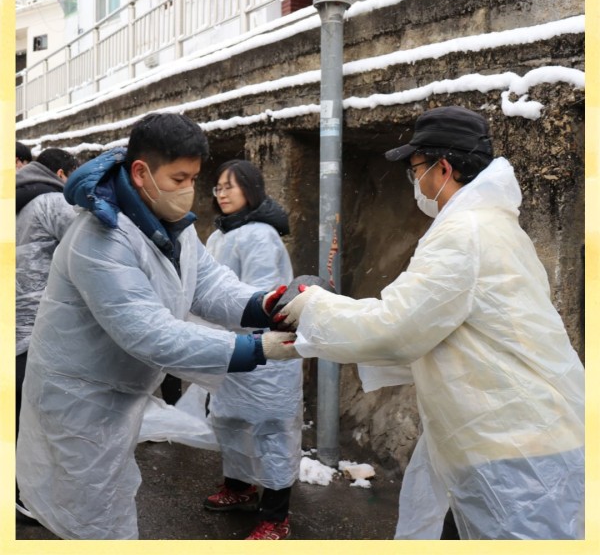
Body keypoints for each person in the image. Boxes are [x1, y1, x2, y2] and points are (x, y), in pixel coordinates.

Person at [273, 106, 585, 539]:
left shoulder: (463, 233)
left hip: (513, 444)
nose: (412, 180)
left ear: (443, 168)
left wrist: (315, 309)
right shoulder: (494, 226)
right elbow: (438, 333)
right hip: (528, 429)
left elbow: (397, 329)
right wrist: (314, 331)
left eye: (415, 168)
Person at [16, 113, 296, 540]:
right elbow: (149, 333)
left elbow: (207, 283)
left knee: (111, 506)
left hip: (118, 393)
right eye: (179, 177)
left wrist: (261, 305)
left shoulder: (171, 226)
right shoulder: (100, 239)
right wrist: (258, 349)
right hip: (78, 402)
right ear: (141, 172)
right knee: (94, 522)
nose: (189, 190)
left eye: (194, 178)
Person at [203, 159, 302, 540]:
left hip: (266, 349)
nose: (223, 193)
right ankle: (240, 486)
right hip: (231, 346)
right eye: (218, 187)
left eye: (231, 186)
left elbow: (260, 297)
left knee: (271, 427)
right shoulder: (220, 235)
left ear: (251, 189)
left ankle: (276, 516)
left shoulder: (259, 234)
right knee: (228, 418)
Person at [15, 147, 79, 519]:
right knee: (36, 421)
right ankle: (26, 497)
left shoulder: (17, 199)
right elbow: (91, 250)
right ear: (61, 173)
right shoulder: (53, 201)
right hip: (39, 331)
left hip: (15, 330)